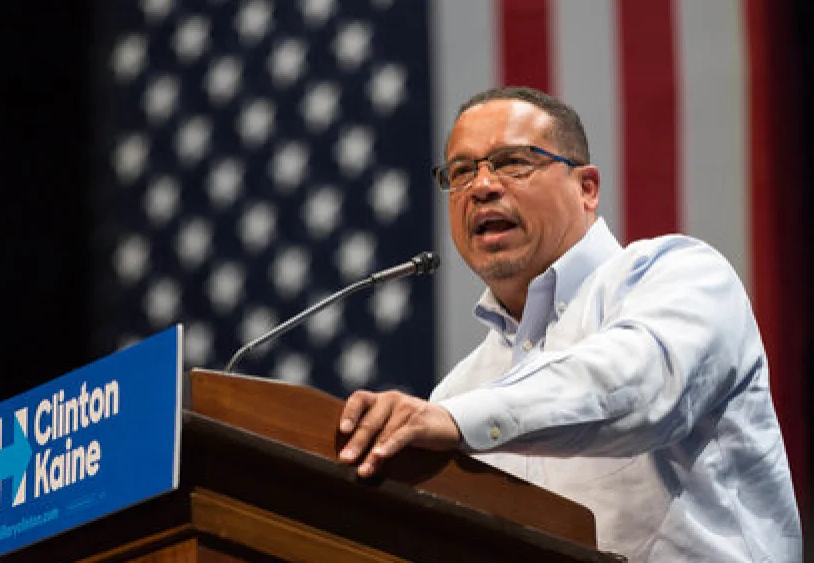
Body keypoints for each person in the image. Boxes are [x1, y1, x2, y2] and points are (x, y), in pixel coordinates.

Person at [337, 86, 801, 561]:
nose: (481, 187)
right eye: (460, 172)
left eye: (513, 162)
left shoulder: (681, 274)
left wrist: (459, 421)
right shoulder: (459, 390)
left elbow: (636, 385)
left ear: (587, 188)